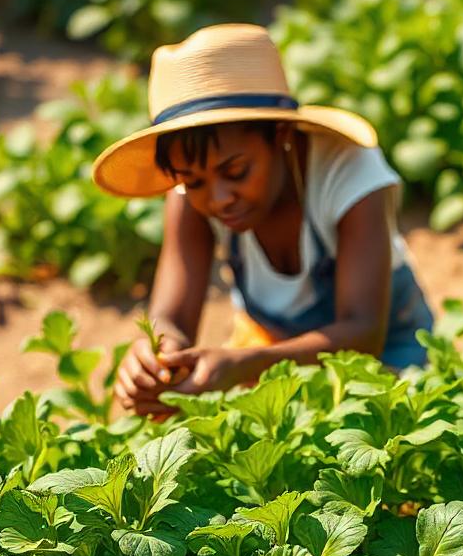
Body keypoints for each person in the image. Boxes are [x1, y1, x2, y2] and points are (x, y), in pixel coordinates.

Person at [92, 23, 433, 419]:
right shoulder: (192, 193)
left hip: (385, 349)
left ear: (281, 134)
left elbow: (363, 332)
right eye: (194, 180)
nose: (218, 198)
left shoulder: (348, 170)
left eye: (236, 171)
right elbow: (173, 316)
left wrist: (244, 365)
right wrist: (157, 355)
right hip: (263, 348)